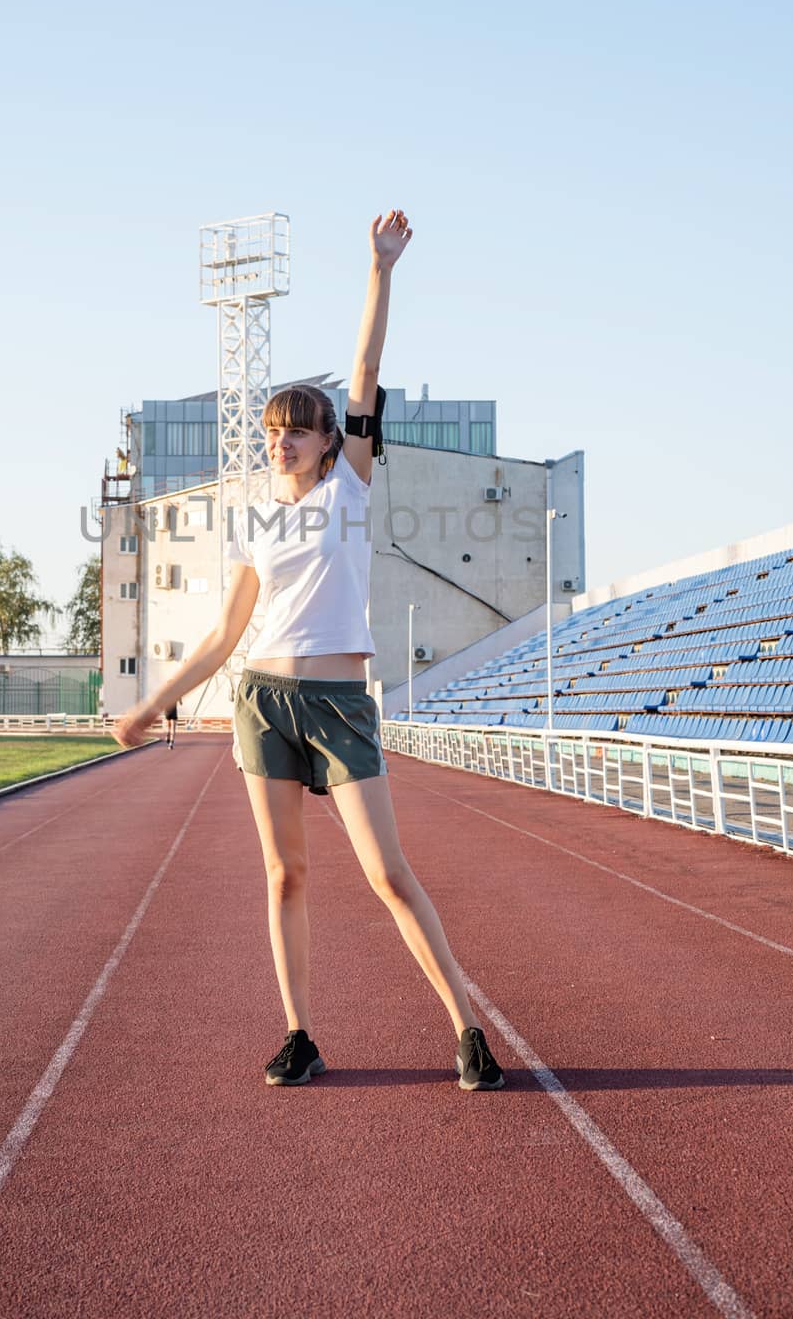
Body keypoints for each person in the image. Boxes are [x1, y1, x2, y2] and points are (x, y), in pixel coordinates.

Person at [113, 209, 505, 1093]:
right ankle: (299, 1032)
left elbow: (365, 370)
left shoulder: (351, 494)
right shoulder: (256, 517)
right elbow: (223, 634)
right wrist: (151, 706)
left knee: (388, 874)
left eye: (296, 427)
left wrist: (381, 269)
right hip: (263, 702)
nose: (280, 438)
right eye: (271, 427)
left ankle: (466, 1030)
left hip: (340, 705)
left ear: (331, 440)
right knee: (285, 874)